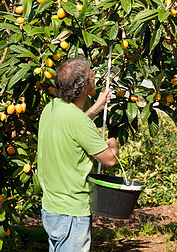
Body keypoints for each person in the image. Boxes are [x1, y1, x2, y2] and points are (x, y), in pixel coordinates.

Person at [37, 56, 119, 252]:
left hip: (52, 209)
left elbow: (74, 125)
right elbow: (110, 160)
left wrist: (98, 105)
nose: (94, 77)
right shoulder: (78, 123)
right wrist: (113, 143)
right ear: (83, 88)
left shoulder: (52, 107)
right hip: (71, 213)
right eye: (92, 76)